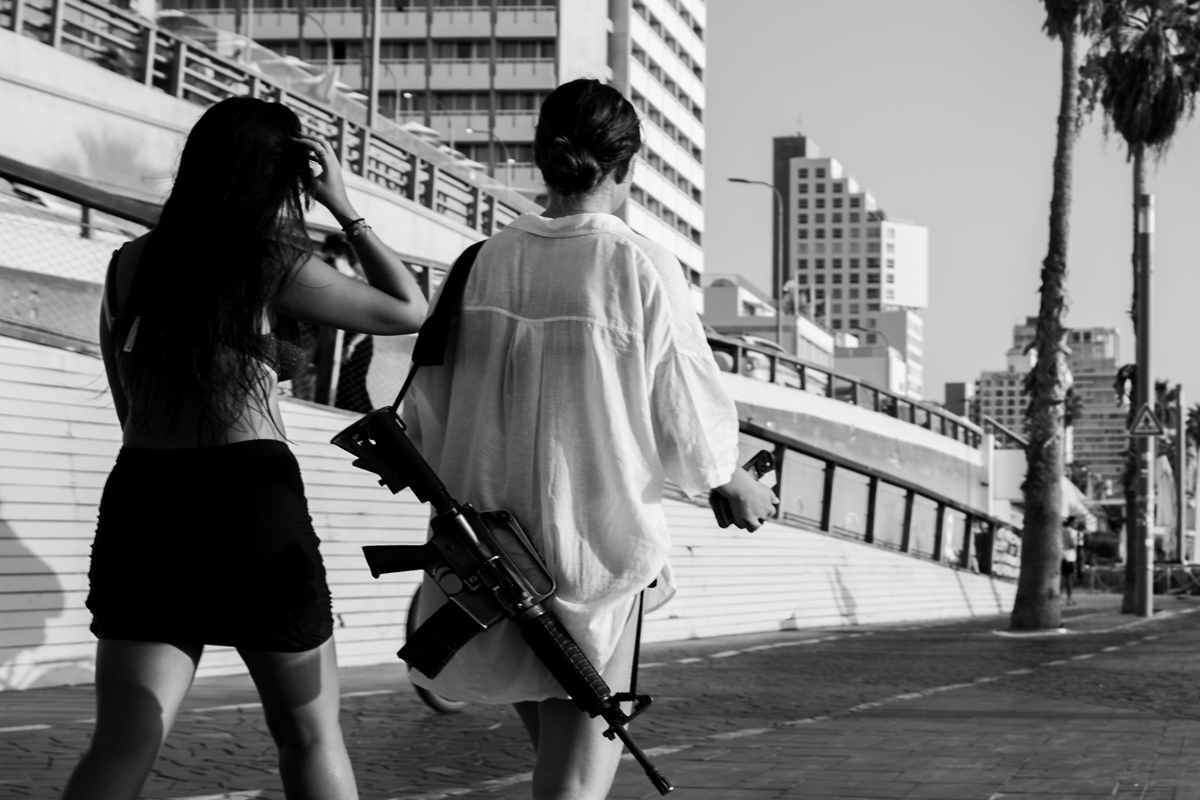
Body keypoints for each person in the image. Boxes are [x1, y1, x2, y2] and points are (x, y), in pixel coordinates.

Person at [403, 78, 778, 800]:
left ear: (540, 157)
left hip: (492, 556)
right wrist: (733, 482)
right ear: (627, 165)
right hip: (595, 559)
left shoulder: (479, 263)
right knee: (574, 783)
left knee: (559, 762)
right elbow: (688, 414)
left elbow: (426, 411)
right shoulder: (638, 263)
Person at [62, 96, 428, 800]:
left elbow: (127, 402)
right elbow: (408, 308)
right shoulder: (268, 262)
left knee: (123, 739)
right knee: (308, 735)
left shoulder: (128, 265)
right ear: (277, 177)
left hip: (146, 496)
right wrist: (343, 207)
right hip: (249, 499)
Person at [1061, 520, 1080, 605]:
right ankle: (1069, 599)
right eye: (1075, 523)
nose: (1076, 524)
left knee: (1061, 578)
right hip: (1069, 557)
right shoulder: (1072, 532)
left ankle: (1059, 598)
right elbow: (1072, 544)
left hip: (1060, 556)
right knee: (1069, 578)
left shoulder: (1060, 530)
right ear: (1071, 523)